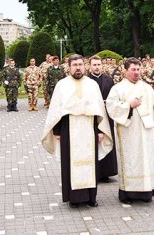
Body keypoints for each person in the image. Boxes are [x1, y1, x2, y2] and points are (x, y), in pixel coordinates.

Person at [41, 54, 113, 208]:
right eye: (75, 65)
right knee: (70, 164)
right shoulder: (62, 85)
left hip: (89, 129)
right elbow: (56, 111)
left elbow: (98, 110)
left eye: (80, 64)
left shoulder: (92, 85)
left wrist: (100, 131)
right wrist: (57, 132)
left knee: (91, 164)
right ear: (69, 67)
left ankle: (90, 197)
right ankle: (73, 198)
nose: (78, 67)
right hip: (69, 129)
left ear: (85, 66)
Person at [106, 57, 154, 204]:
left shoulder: (147, 88)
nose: (137, 72)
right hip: (128, 132)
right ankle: (128, 194)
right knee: (130, 161)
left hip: (145, 132)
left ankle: (146, 192)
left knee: (146, 160)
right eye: (133, 69)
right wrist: (128, 105)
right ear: (125, 71)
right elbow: (111, 107)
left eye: (138, 69)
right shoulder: (117, 88)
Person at [88, 55, 118, 182]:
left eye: (99, 64)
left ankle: (106, 172)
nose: (97, 67)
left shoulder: (109, 80)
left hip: (107, 114)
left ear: (102, 65)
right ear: (89, 67)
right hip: (92, 116)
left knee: (107, 139)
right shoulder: (86, 81)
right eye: (94, 65)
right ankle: (94, 171)